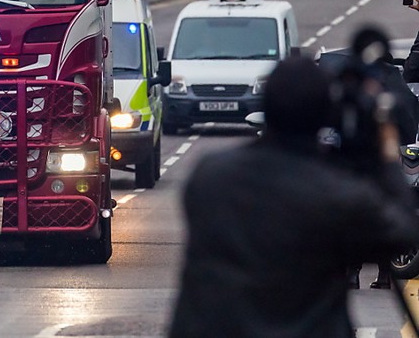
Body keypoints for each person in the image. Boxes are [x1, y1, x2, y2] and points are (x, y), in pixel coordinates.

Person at [168, 55, 419, 338]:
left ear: (266, 107)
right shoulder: (335, 193)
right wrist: (383, 155)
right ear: (326, 114)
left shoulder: (210, 176)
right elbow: (401, 232)